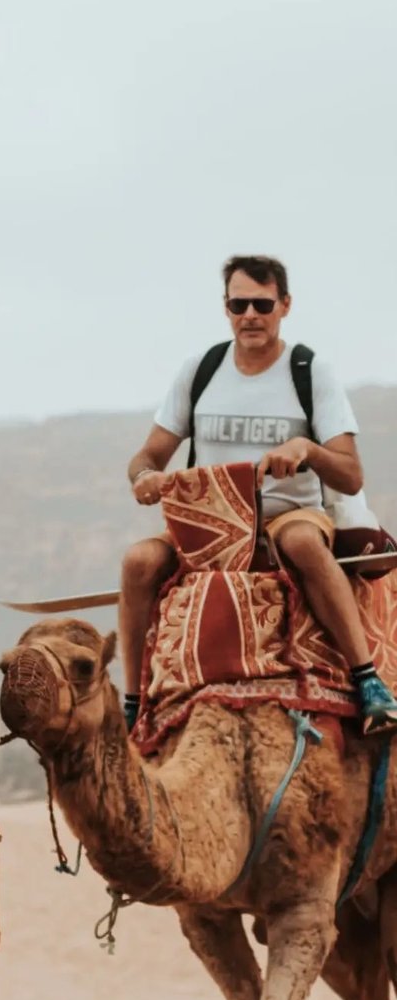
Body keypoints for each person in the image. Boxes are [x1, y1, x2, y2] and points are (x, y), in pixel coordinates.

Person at [120, 254, 397, 734]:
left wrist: (306, 449)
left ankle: (368, 679)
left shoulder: (310, 371)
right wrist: (144, 477)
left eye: (262, 304)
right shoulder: (201, 369)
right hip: (210, 521)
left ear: (284, 305)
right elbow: (148, 455)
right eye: (239, 303)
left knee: (303, 544)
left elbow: (351, 476)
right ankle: (132, 697)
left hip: (289, 512)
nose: (250, 315)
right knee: (138, 562)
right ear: (225, 308)